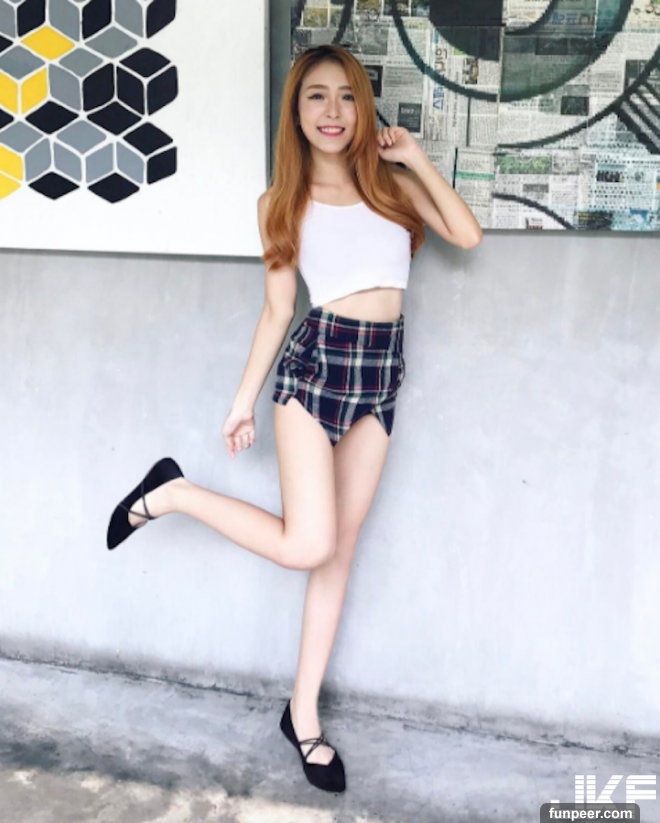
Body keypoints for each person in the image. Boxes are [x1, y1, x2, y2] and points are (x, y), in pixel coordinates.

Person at [106, 44, 482, 794]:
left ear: (363, 108)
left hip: (381, 374)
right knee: (310, 544)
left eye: (346, 96)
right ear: (296, 111)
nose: (332, 111)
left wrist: (414, 156)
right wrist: (242, 400)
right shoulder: (281, 201)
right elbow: (279, 308)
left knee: (337, 555)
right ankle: (173, 493)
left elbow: (466, 236)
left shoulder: (392, 186)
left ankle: (302, 716)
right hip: (315, 369)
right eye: (316, 96)